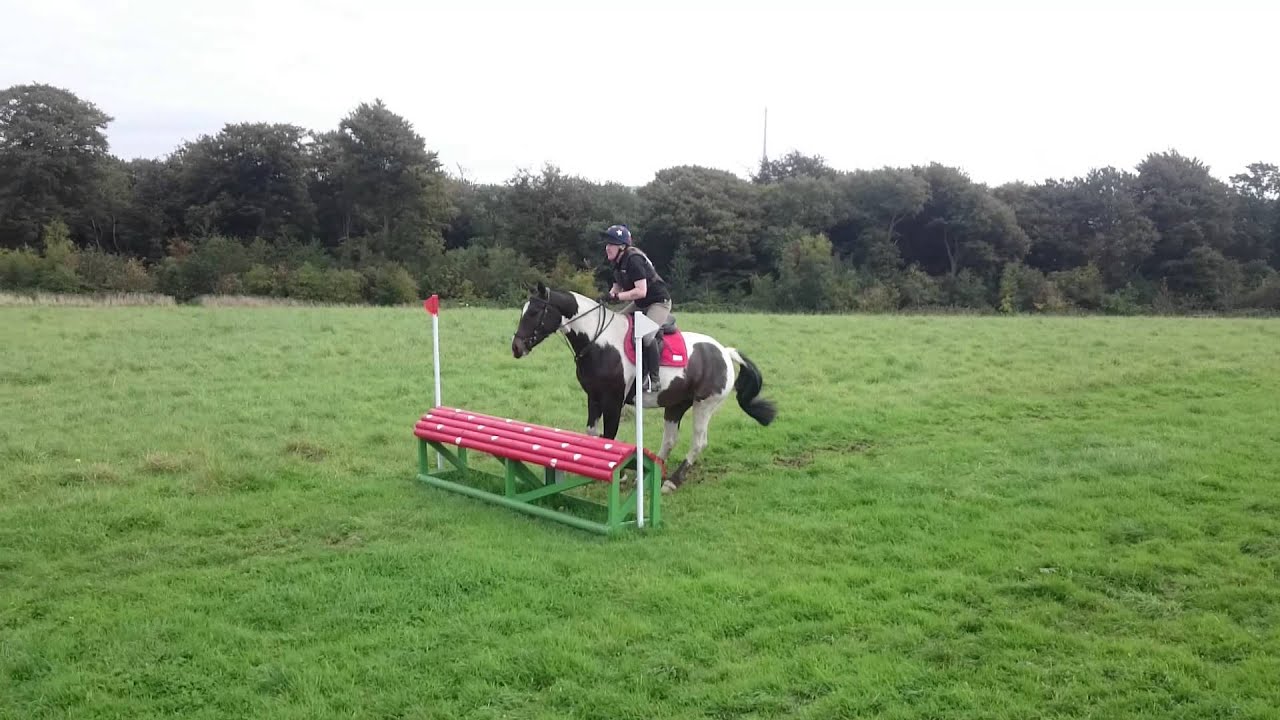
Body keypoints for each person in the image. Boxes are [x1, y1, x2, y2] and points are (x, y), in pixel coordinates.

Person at [600, 224, 672, 392]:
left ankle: (653, 378)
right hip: (641, 304)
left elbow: (641, 291)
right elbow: (616, 289)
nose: (607, 247)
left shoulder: (634, 260)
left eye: (611, 244)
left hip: (658, 302)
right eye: (607, 243)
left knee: (646, 336)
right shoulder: (617, 263)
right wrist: (605, 299)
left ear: (623, 247)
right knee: (614, 322)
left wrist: (616, 297)